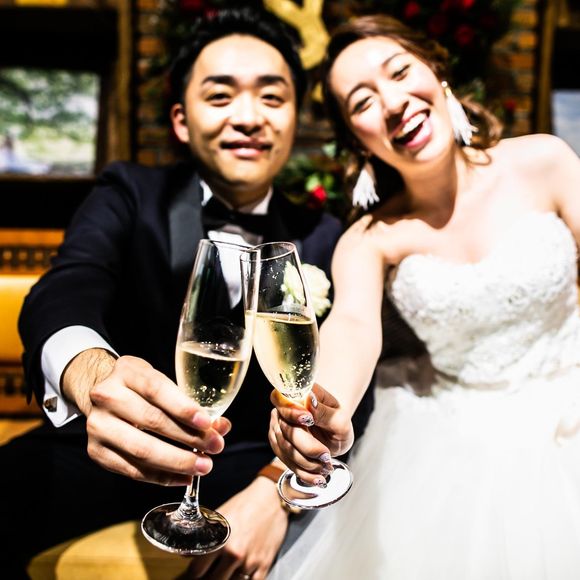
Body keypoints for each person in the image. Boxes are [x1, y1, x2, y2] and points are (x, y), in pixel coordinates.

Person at [0, 8, 376, 579]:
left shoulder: (324, 236)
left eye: (272, 97)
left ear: (295, 118)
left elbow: (349, 391)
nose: (248, 117)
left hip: (247, 461)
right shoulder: (131, 193)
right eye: (220, 96)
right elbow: (66, 288)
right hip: (106, 450)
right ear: (181, 119)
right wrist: (93, 377)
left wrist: (273, 492)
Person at [268, 14, 580, 580]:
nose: (392, 103)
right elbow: (352, 327)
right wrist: (321, 407)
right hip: (459, 439)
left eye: (399, 72)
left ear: (437, 74)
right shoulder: (368, 240)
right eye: (363, 102)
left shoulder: (547, 161)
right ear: (355, 138)